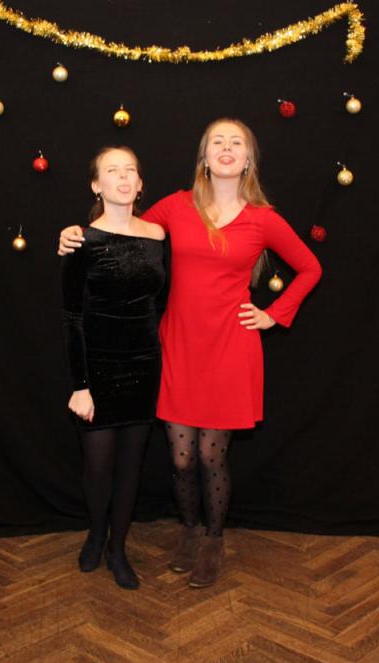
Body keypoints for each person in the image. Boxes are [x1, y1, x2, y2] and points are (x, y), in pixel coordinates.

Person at [59, 119, 321, 588]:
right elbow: (123, 225)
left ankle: (212, 543)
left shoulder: (263, 218)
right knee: (180, 459)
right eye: (217, 141)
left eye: (236, 143)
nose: (226, 148)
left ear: (248, 159)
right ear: (204, 156)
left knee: (210, 456)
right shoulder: (177, 207)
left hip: (230, 348)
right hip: (177, 345)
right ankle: (188, 531)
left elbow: (310, 267)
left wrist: (273, 315)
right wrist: (73, 235)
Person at [61, 146, 166, 590]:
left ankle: (118, 549)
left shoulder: (158, 235)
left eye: (130, 171)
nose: (123, 178)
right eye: (112, 171)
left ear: (140, 184)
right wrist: (80, 385)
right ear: (96, 185)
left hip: (144, 365)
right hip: (97, 368)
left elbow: (161, 303)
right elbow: (72, 317)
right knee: (98, 467)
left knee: (131, 467)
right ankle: (96, 533)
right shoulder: (80, 240)